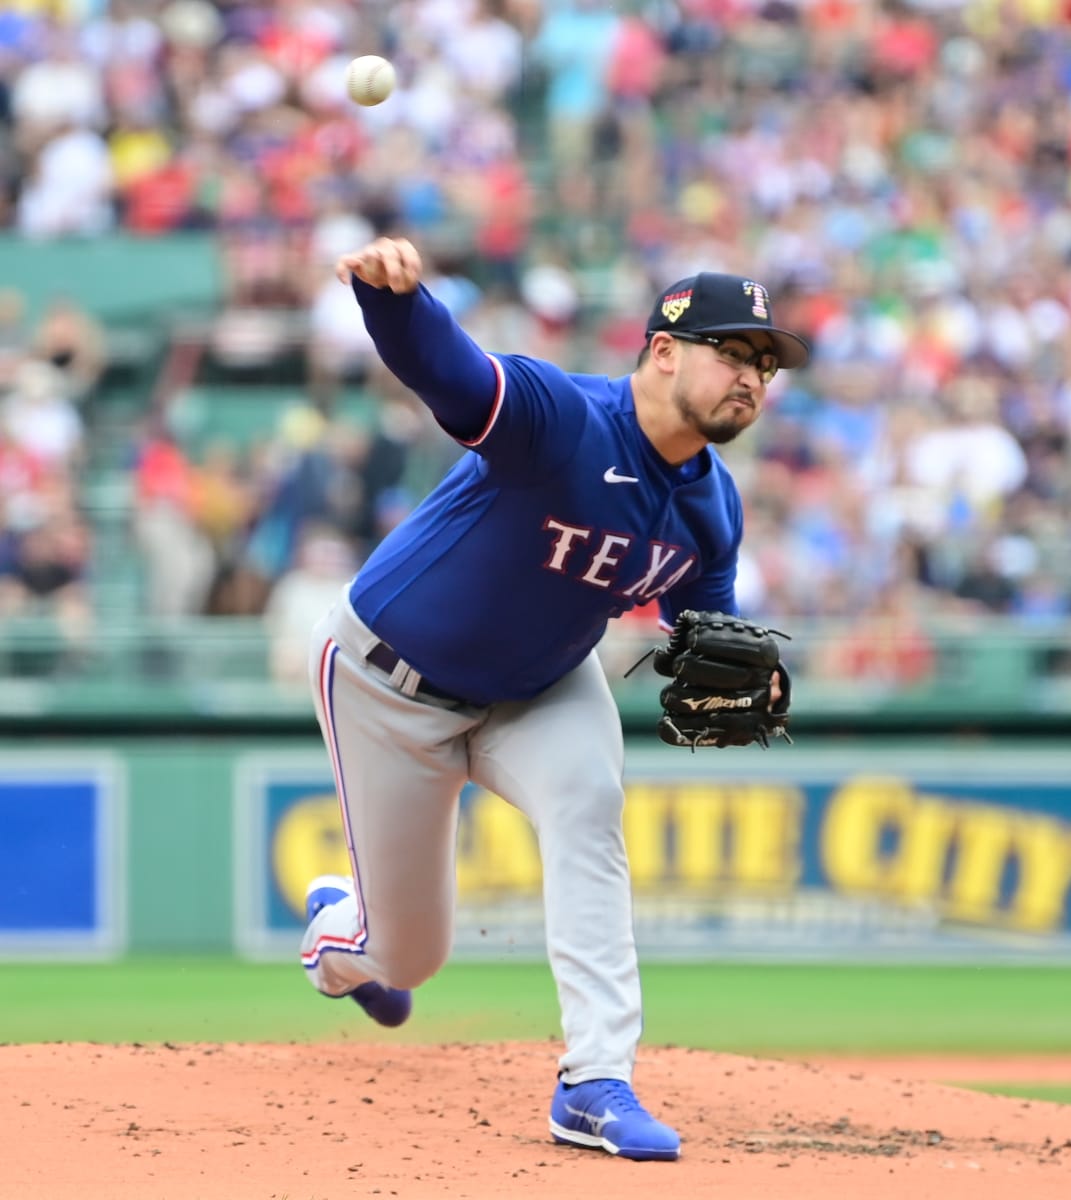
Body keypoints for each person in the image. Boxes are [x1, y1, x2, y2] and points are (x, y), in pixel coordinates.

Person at [299, 235, 809, 1162]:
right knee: (405, 958)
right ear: (662, 351)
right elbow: (449, 373)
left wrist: (734, 680)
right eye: (732, 352)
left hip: (539, 689)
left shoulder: (713, 508)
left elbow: (705, 637)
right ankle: (342, 930)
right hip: (388, 682)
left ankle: (595, 1081)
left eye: (765, 364)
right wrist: (394, 303)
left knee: (590, 805)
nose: (752, 377)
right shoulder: (562, 416)